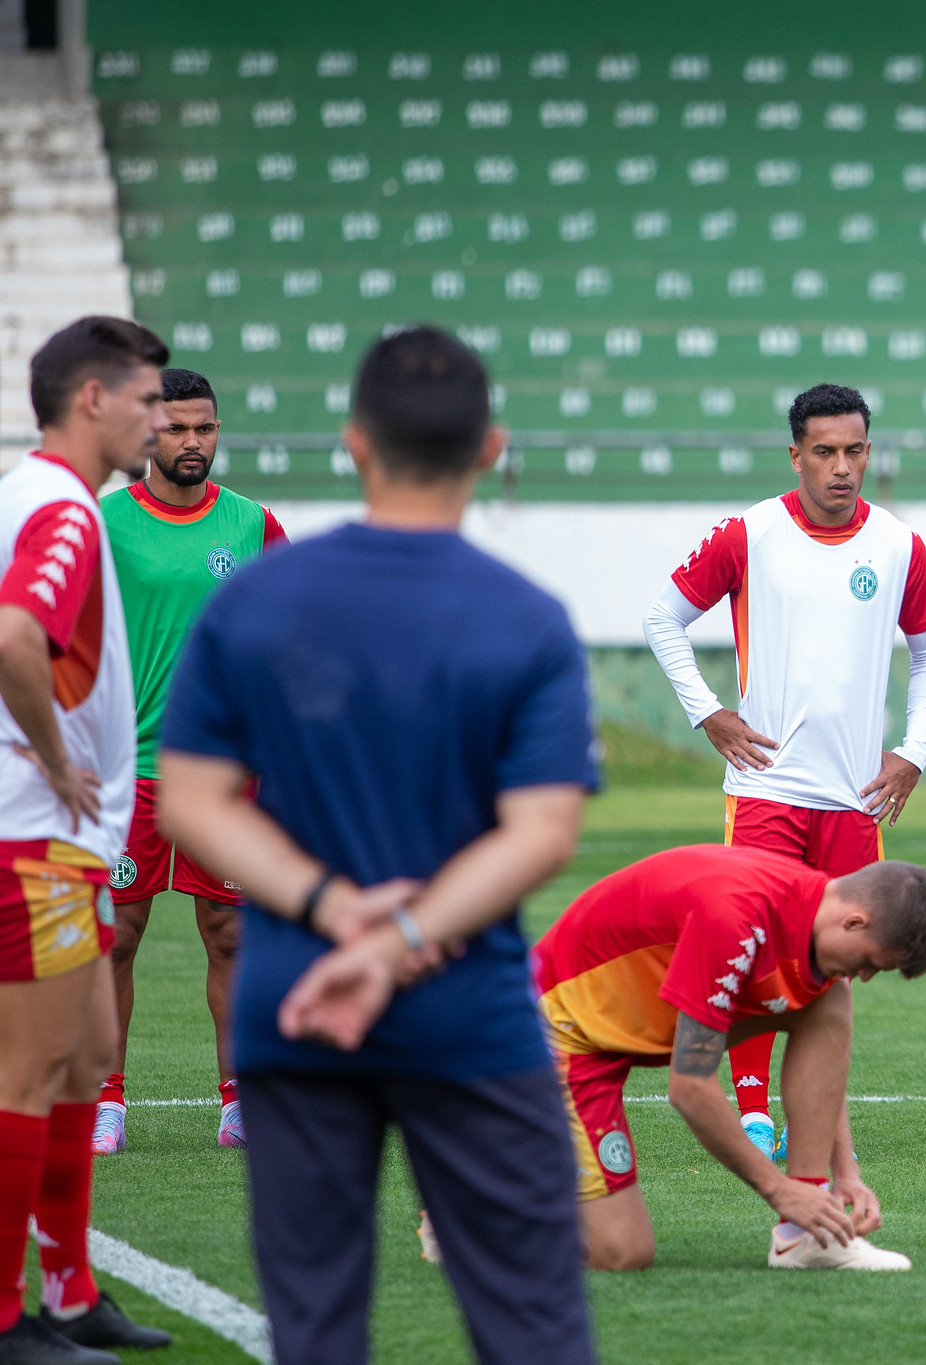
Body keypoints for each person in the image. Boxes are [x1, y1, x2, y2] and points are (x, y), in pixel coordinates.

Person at [154, 327, 599, 1365]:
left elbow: (192, 800)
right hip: (467, 1010)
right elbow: (543, 831)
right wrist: (398, 931)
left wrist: (332, 912)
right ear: (490, 449)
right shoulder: (527, 618)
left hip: (296, 995)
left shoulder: (257, 597)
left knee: (315, 1332)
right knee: (531, 1330)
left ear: (353, 442)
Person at [642, 383, 926, 1158]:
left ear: (869, 452)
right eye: (824, 452)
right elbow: (662, 618)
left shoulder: (901, 545)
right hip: (767, 790)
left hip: (854, 800)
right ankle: (750, 1109)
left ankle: (812, 1116)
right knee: (750, 946)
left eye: (854, 451)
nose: (841, 468)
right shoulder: (751, 533)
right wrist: (708, 712)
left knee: (836, 962)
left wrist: (914, 751)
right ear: (796, 454)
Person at [0, 316, 173, 1364]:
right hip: (36, 838)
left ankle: (70, 1291)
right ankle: (13, 1316)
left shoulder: (35, 494)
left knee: (88, 1057)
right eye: (150, 400)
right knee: (32, 1070)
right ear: (93, 400)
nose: (161, 420)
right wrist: (58, 763)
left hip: (60, 842)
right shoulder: (65, 509)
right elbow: (17, 636)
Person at [527, 844, 926, 1271]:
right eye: (870, 962)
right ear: (854, 922)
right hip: (556, 1032)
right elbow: (689, 1086)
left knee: (830, 1000)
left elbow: (824, 1058)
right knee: (621, 1252)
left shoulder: (805, 906)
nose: (865, 975)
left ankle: (806, 1239)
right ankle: (468, 1216)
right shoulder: (734, 917)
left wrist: (846, 1176)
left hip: (630, 1020)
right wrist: (779, 1189)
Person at [93, 366, 287, 1156]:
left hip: (227, 770)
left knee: (231, 933)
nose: (193, 442)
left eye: (204, 427)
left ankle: (238, 1098)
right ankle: (106, 1097)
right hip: (123, 769)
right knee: (115, 934)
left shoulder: (252, 525)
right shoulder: (102, 523)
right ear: (147, 432)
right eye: (177, 428)